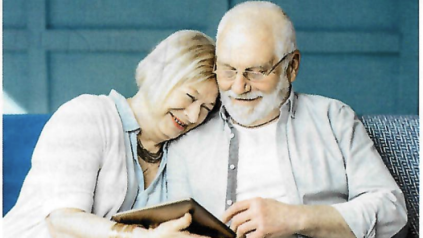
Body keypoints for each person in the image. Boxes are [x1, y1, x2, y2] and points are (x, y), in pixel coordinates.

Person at [167, 2, 407, 238]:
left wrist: (296, 219)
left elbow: (392, 212)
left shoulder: (333, 119)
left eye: (257, 71)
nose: (239, 87)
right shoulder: (188, 135)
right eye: (228, 70)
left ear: (292, 67)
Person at [4, 30, 218, 238]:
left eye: (206, 108)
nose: (193, 115)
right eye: (190, 97)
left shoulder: (179, 154)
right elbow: (61, 222)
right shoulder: (87, 114)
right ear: (161, 76)